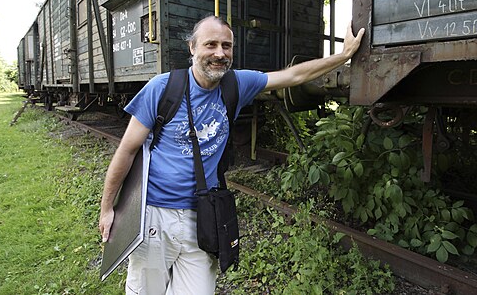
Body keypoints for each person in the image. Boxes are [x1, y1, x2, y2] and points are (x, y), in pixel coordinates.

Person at [99, 15, 365, 294]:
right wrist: (107, 209)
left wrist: (343, 55)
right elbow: (127, 150)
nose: (219, 53)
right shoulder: (162, 88)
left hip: (204, 216)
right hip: (155, 214)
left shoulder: (237, 84)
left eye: (227, 46)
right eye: (210, 44)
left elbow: (294, 75)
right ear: (192, 48)